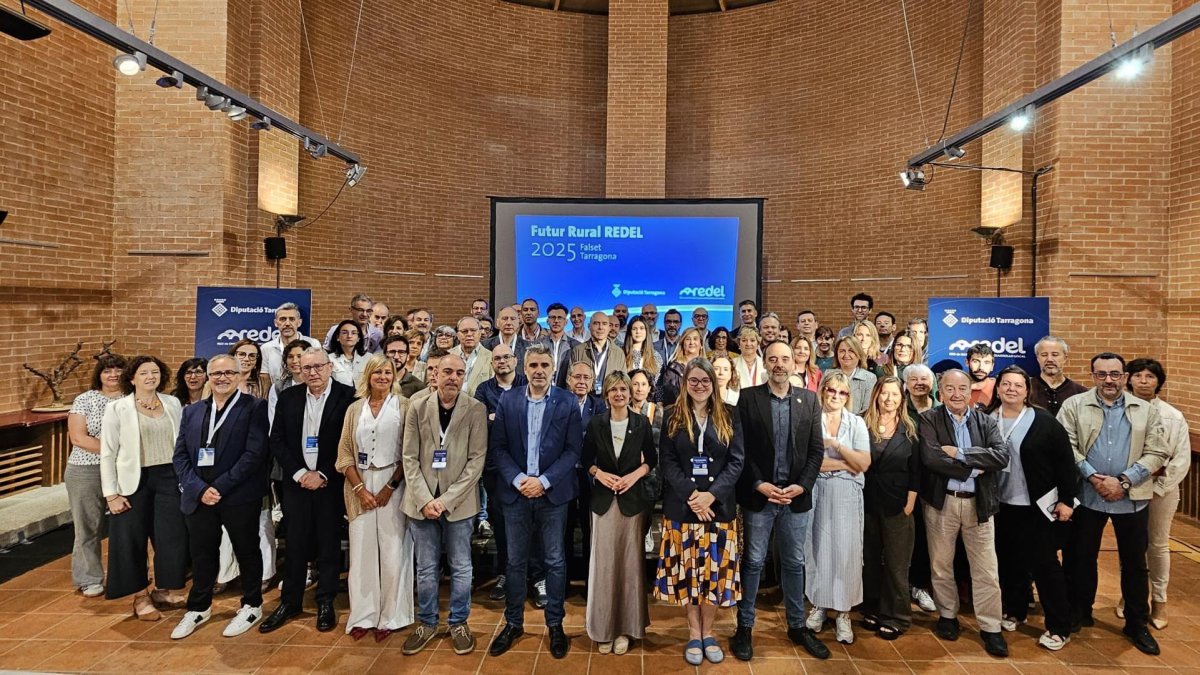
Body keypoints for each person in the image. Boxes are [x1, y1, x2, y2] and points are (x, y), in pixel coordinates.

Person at [1058, 352, 1169, 655]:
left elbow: (1158, 451)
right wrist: (1094, 477)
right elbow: (1065, 445)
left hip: (1131, 498)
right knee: (1081, 558)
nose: (1109, 379)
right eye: (1101, 374)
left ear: (1124, 376)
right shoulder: (1074, 406)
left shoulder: (1147, 410)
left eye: (1115, 374)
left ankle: (1137, 623)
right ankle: (1080, 612)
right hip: (1088, 496)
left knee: (1135, 564)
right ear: (1092, 376)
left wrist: (1122, 481)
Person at [730, 342, 829, 661]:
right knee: (755, 561)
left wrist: (802, 486)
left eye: (785, 358)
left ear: (793, 363)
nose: (779, 364)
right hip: (761, 496)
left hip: (795, 498)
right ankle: (744, 626)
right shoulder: (748, 398)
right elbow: (741, 450)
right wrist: (760, 484)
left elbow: (816, 452)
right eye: (772, 358)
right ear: (765, 363)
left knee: (794, 562)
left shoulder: (810, 401)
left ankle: (797, 626)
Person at [488, 344, 582, 660]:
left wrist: (542, 482)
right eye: (533, 365)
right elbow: (498, 448)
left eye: (544, 364)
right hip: (515, 493)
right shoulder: (508, 399)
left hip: (552, 494)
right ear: (524, 368)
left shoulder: (567, 401)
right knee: (514, 562)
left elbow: (573, 451)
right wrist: (519, 481)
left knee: (555, 561)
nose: (539, 370)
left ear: (553, 368)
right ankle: (513, 623)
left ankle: (555, 624)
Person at [169, 355, 271, 640]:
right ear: (208, 377)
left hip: (238, 496)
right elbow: (179, 456)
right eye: (216, 373)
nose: (222, 378)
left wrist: (221, 487)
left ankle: (251, 605)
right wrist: (200, 489)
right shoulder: (192, 412)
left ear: (239, 376)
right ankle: (199, 607)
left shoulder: (254, 407)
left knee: (247, 551)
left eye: (229, 372)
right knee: (202, 554)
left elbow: (254, 454)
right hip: (200, 497)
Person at [654, 358, 744, 666]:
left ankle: (709, 632)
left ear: (714, 383)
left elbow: (736, 461)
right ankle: (694, 632)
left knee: (714, 577)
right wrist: (693, 495)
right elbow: (667, 462)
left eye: (705, 380)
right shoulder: (672, 416)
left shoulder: (730, 415)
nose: (700, 386)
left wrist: (710, 495)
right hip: (683, 508)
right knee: (689, 576)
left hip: (718, 509)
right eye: (693, 380)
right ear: (685, 383)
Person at [260, 348, 356, 634]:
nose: (312, 372)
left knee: (328, 544)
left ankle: (325, 600)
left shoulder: (348, 396)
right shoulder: (289, 397)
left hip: (330, 483)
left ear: (330, 367)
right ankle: (290, 601)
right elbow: (277, 440)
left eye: (318, 366)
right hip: (297, 484)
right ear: (298, 371)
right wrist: (301, 473)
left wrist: (323, 473)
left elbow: (349, 440)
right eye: (306, 368)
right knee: (295, 543)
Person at [918, 369, 1010, 657]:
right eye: (949, 389)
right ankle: (947, 615)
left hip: (978, 504)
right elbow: (932, 458)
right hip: (942, 502)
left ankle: (991, 627)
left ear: (970, 391)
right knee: (941, 564)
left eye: (962, 388)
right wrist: (975, 465)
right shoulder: (928, 419)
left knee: (986, 570)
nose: (956, 394)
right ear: (940, 392)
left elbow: (1001, 456)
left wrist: (959, 454)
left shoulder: (986, 421)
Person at [401, 353, 488, 656]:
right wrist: (426, 499)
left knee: (462, 567)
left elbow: (477, 461)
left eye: (459, 373)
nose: (453, 377)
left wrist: (446, 500)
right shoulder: (417, 407)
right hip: (421, 503)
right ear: (434, 374)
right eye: (447, 371)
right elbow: (409, 457)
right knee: (425, 568)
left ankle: (458, 622)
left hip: (459, 505)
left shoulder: (475, 409)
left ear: (465, 377)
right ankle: (426, 623)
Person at [985, 366, 1077, 651]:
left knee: (1044, 566)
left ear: (1027, 391)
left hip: (1037, 507)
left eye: (1018, 385)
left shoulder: (1044, 421)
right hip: (1001, 506)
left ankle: (1059, 626)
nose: (1011, 389)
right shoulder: (988, 419)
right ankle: (1015, 611)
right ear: (998, 388)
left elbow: (1065, 463)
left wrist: (1067, 500)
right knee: (1009, 562)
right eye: (1006, 384)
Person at [99, 355, 187, 618]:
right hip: (132, 482)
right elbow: (107, 453)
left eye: (155, 372)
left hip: (169, 478)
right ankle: (140, 597)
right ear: (132, 378)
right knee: (131, 540)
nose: (151, 377)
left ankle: (164, 589)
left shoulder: (172, 403)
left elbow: (181, 443)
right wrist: (111, 493)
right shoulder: (117, 408)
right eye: (145, 373)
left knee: (170, 537)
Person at [335, 355, 414, 643]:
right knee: (361, 554)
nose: (383, 376)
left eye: (388, 372)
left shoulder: (405, 407)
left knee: (394, 552)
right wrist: (360, 490)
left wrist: (390, 487)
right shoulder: (355, 409)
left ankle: (392, 615)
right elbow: (344, 454)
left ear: (394, 376)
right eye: (377, 372)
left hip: (394, 484)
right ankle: (363, 615)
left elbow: (411, 451)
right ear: (367, 376)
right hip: (360, 486)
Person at [582, 371, 657, 655]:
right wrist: (599, 474)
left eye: (623, 389)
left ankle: (626, 628)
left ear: (629, 393)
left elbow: (651, 459)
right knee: (603, 567)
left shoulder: (641, 423)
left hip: (632, 501)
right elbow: (586, 460)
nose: (619, 394)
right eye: (613, 390)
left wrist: (634, 476)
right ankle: (603, 629)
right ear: (606, 395)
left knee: (629, 566)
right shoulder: (596, 423)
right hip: (603, 501)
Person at [805, 370, 871, 645]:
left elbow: (864, 463)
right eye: (831, 390)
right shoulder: (810, 420)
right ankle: (819, 605)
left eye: (842, 392)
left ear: (848, 396)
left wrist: (835, 447)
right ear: (823, 391)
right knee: (817, 547)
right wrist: (847, 462)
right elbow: (811, 463)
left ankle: (843, 612)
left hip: (846, 493)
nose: (836, 396)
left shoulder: (856, 423)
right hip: (817, 489)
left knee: (847, 552)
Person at [1123, 358, 1190, 630]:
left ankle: (1159, 601)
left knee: (1158, 546)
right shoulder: (1121, 410)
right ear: (1129, 379)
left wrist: (1157, 488)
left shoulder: (1173, 416)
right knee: (1130, 547)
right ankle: (1129, 597)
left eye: (1150, 376)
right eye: (1138, 375)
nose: (1143, 381)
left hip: (1161, 491)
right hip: (1128, 488)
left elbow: (1181, 459)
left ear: (1158, 382)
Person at [860, 376, 921, 640]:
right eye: (884, 393)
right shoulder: (862, 423)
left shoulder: (911, 428)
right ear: (876, 395)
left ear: (901, 398)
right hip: (867, 503)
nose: (888, 399)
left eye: (894, 394)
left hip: (898, 504)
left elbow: (917, 470)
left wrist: (910, 503)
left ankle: (897, 615)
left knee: (897, 563)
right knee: (870, 560)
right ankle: (873, 607)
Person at [66, 352, 128, 598]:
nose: (113, 374)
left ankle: (129, 575)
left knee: (127, 526)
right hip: (86, 469)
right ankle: (89, 578)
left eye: (118, 369)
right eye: (107, 370)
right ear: (99, 375)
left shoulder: (133, 398)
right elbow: (78, 437)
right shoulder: (85, 399)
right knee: (88, 527)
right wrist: (117, 450)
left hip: (124, 470)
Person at [474, 343, 532, 601]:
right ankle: (505, 574)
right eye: (497, 358)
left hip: (528, 468)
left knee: (531, 524)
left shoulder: (527, 384)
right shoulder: (483, 390)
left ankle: (533, 575)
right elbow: (480, 422)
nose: (502, 361)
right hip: (495, 469)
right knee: (501, 525)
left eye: (506, 357)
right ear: (492, 363)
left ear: (515, 360)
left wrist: (498, 417)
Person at [260, 303, 321, 382]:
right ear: (275, 323)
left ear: (299, 322)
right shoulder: (266, 348)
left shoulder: (313, 344)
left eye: (292, 319)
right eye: (282, 319)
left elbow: (319, 371)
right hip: (277, 393)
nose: (287, 323)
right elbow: (265, 378)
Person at [1030, 336, 1088, 415]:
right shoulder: (1026, 388)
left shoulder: (1080, 393)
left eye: (1055, 355)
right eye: (1044, 355)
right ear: (1037, 358)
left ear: (1065, 358)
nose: (1049, 359)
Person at [570, 311, 625, 394]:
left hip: (609, 402)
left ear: (609, 328)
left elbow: (623, 382)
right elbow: (570, 380)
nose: (600, 327)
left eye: (604, 324)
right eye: (596, 323)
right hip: (584, 401)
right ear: (589, 326)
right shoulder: (578, 350)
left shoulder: (618, 353)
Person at [827, 335, 876, 415]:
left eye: (851, 351)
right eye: (842, 351)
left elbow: (867, 410)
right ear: (837, 354)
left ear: (859, 354)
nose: (846, 355)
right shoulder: (828, 375)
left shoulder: (870, 378)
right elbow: (822, 403)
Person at [658, 327, 705, 405]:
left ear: (701, 344)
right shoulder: (673, 368)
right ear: (683, 343)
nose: (691, 342)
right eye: (688, 339)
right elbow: (668, 396)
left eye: (695, 339)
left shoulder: (709, 367)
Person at [268, 339, 309, 425]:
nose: (294, 361)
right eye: (290, 357)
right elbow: (273, 421)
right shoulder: (278, 387)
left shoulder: (317, 385)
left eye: (299, 356)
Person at [450, 316, 493, 396]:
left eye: (473, 330)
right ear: (458, 335)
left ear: (480, 333)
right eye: (464, 331)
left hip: (480, 405)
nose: (469, 334)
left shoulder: (491, 357)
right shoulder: (448, 356)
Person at [538, 303, 575, 383]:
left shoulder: (576, 345)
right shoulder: (538, 344)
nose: (556, 321)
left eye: (560, 318)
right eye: (553, 317)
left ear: (566, 322)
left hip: (566, 390)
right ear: (547, 321)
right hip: (543, 388)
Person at [327, 319, 369, 387]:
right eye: (344, 333)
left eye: (354, 333)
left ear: (358, 338)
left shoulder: (369, 358)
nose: (349, 336)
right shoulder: (329, 359)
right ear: (337, 337)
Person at [623, 315, 661, 380]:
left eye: (641, 328)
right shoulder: (622, 353)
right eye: (634, 329)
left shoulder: (655, 356)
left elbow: (655, 382)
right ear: (630, 331)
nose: (638, 332)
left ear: (646, 331)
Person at [965, 343, 996, 409]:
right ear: (967, 363)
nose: (981, 367)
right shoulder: (954, 387)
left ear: (992, 366)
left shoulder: (998, 388)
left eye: (986, 362)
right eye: (976, 361)